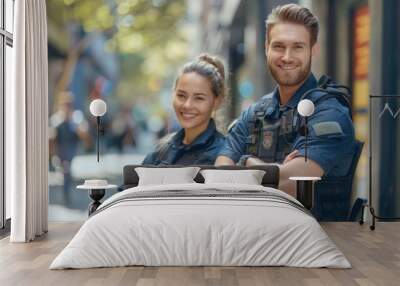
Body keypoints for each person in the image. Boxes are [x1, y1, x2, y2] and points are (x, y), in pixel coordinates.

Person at [215, 4, 356, 197]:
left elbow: (293, 182)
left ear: (313, 50)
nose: (287, 57)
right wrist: (275, 170)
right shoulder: (255, 113)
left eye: (297, 47)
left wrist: (245, 161)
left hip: (317, 227)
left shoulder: (329, 113)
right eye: (279, 46)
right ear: (267, 48)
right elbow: (221, 169)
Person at [142, 54, 226, 165]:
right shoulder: (161, 151)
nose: (187, 105)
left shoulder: (225, 155)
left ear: (216, 101)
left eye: (199, 98)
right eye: (181, 96)